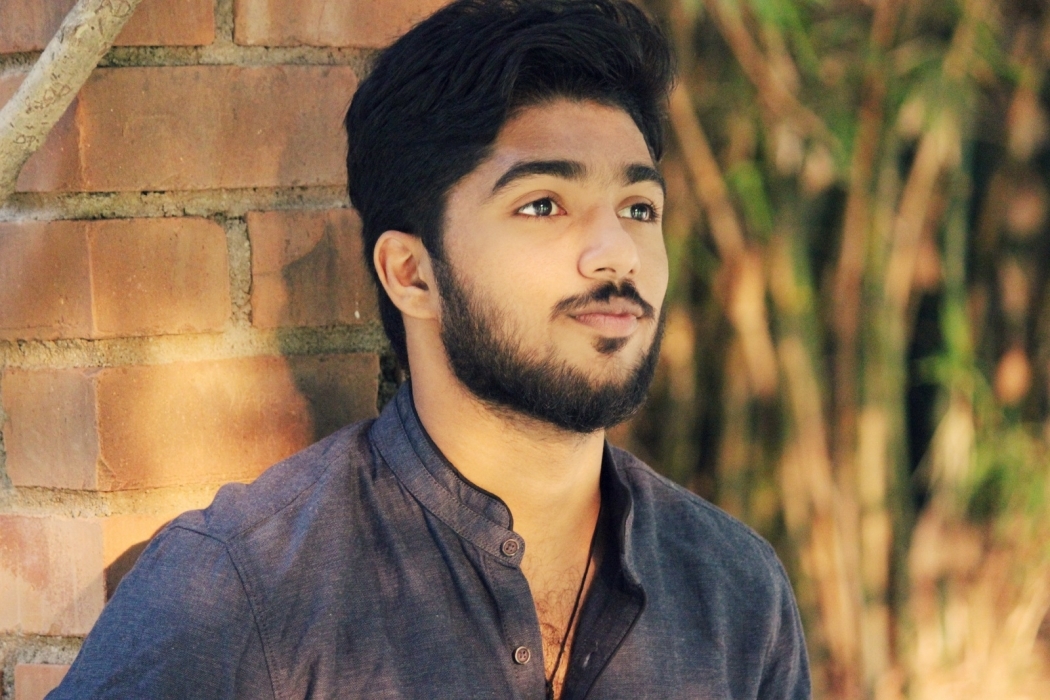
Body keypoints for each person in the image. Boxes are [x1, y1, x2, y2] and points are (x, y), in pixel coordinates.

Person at [48, 1, 810, 698]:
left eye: (639, 208)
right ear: (412, 274)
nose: (617, 254)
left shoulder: (735, 590)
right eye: (544, 204)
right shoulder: (244, 586)